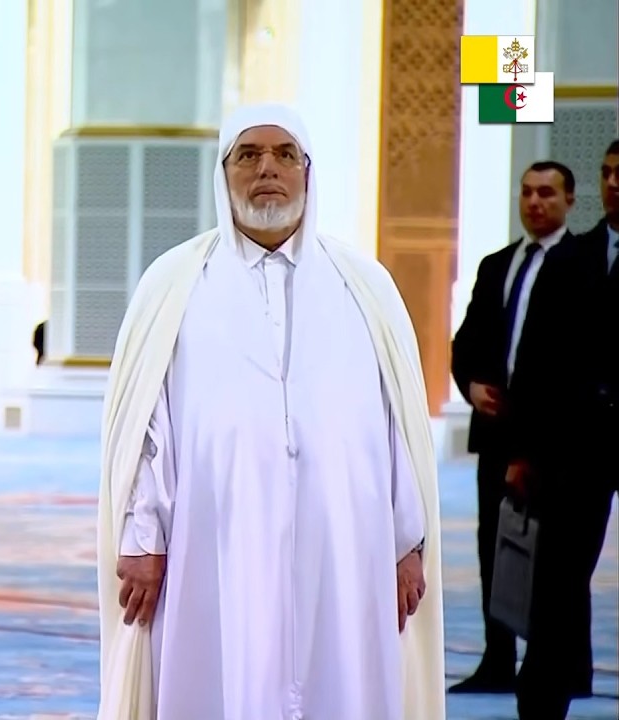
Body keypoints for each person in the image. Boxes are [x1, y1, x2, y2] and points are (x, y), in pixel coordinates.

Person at [95, 103, 446, 720]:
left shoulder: (363, 285)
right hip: (216, 539)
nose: (268, 170)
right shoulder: (175, 283)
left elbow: (398, 428)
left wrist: (405, 543)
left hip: (346, 545)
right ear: (222, 173)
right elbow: (151, 428)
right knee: (220, 680)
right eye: (248, 155)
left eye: (286, 155)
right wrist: (142, 539)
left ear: (308, 174)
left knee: (344, 684)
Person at [448, 160, 575, 694]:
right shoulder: (497, 265)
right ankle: (497, 660)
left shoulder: (580, 265)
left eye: (546, 193)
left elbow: (569, 360)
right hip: (497, 438)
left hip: (557, 443)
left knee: (554, 562)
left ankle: (550, 669)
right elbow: (466, 343)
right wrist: (472, 388)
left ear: (569, 199)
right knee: (492, 552)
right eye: (526, 192)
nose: (534, 202)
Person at [505, 139, 619, 720]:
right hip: (577, 449)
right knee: (560, 574)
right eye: (608, 174)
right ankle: (544, 694)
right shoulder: (574, 258)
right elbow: (534, 359)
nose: (615, 184)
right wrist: (523, 450)